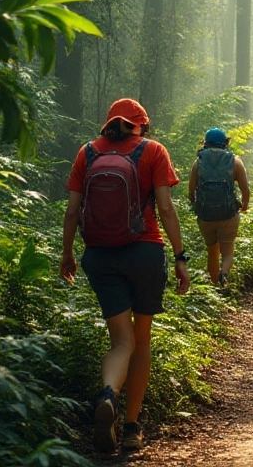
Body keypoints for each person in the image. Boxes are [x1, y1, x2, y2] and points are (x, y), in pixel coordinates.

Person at [60, 98, 190, 454]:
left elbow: (72, 211)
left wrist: (68, 253)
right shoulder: (153, 151)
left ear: (109, 124)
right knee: (141, 340)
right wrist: (180, 258)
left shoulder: (87, 153)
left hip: (100, 257)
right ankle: (132, 427)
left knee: (121, 341)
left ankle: (108, 395)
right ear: (141, 126)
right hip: (145, 253)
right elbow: (165, 207)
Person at [187, 128, 250, 289]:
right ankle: (225, 274)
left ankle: (215, 286)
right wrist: (244, 205)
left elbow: (191, 191)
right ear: (225, 143)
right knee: (227, 250)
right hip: (228, 213)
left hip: (206, 216)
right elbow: (245, 190)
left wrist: (197, 207)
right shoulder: (235, 161)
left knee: (212, 249)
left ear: (205, 143)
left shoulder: (198, 162)